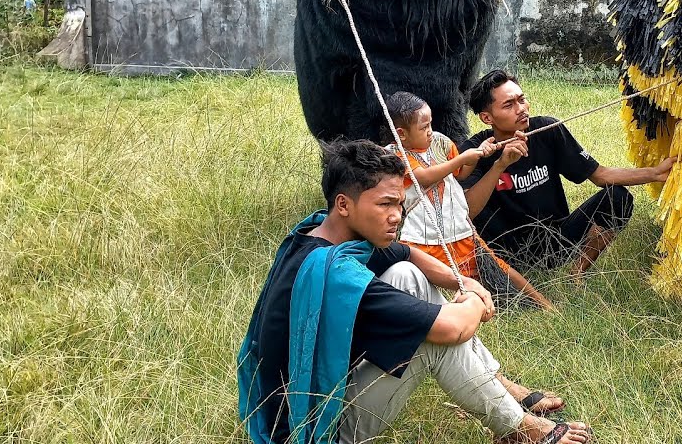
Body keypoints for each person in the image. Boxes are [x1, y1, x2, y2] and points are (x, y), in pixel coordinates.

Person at [237, 139, 591, 444]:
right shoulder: (338, 273)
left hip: (305, 400)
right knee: (431, 340)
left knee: (406, 273)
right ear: (344, 204)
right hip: (314, 428)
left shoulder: (320, 232)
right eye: (385, 204)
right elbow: (453, 329)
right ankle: (519, 428)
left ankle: (496, 384)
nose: (397, 215)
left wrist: (463, 281)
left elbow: (405, 253)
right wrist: (475, 300)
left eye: (399, 202)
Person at [461, 69, 676, 278]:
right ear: (487, 118)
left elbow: (600, 175)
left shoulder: (548, 129)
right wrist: (499, 165)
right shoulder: (475, 151)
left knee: (618, 197)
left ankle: (576, 273)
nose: (521, 109)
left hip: (557, 239)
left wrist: (655, 173)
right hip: (505, 250)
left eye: (522, 99)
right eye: (509, 105)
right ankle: (502, 275)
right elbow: (466, 212)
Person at [383, 90, 557, 311]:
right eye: (424, 127)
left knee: (499, 267)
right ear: (401, 134)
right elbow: (424, 177)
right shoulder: (394, 156)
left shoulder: (441, 142)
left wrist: (478, 155)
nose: (430, 131)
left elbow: (462, 173)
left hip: (460, 229)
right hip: (422, 237)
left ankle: (544, 304)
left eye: (431, 124)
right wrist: (463, 158)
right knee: (429, 281)